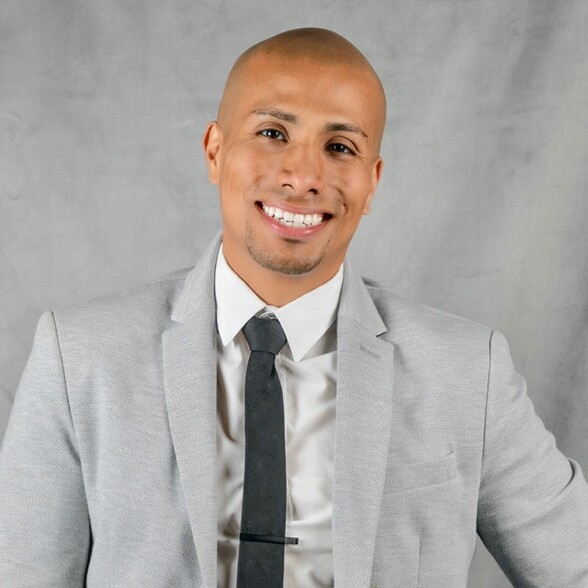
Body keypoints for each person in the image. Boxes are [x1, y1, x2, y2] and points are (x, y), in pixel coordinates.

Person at [0, 27, 587, 588]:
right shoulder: (79, 359)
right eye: (273, 133)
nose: (303, 176)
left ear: (372, 181)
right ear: (214, 150)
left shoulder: (469, 375)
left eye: (339, 147)